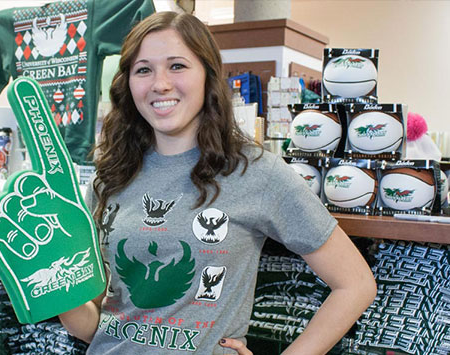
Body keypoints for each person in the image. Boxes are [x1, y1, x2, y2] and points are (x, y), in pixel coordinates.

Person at [59, 11, 376, 355]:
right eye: (144, 69)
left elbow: (355, 284)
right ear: (129, 83)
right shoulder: (110, 176)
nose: (160, 83)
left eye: (177, 66)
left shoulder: (256, 172)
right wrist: (51, 285)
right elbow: (94, 326)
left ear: (208, 77)